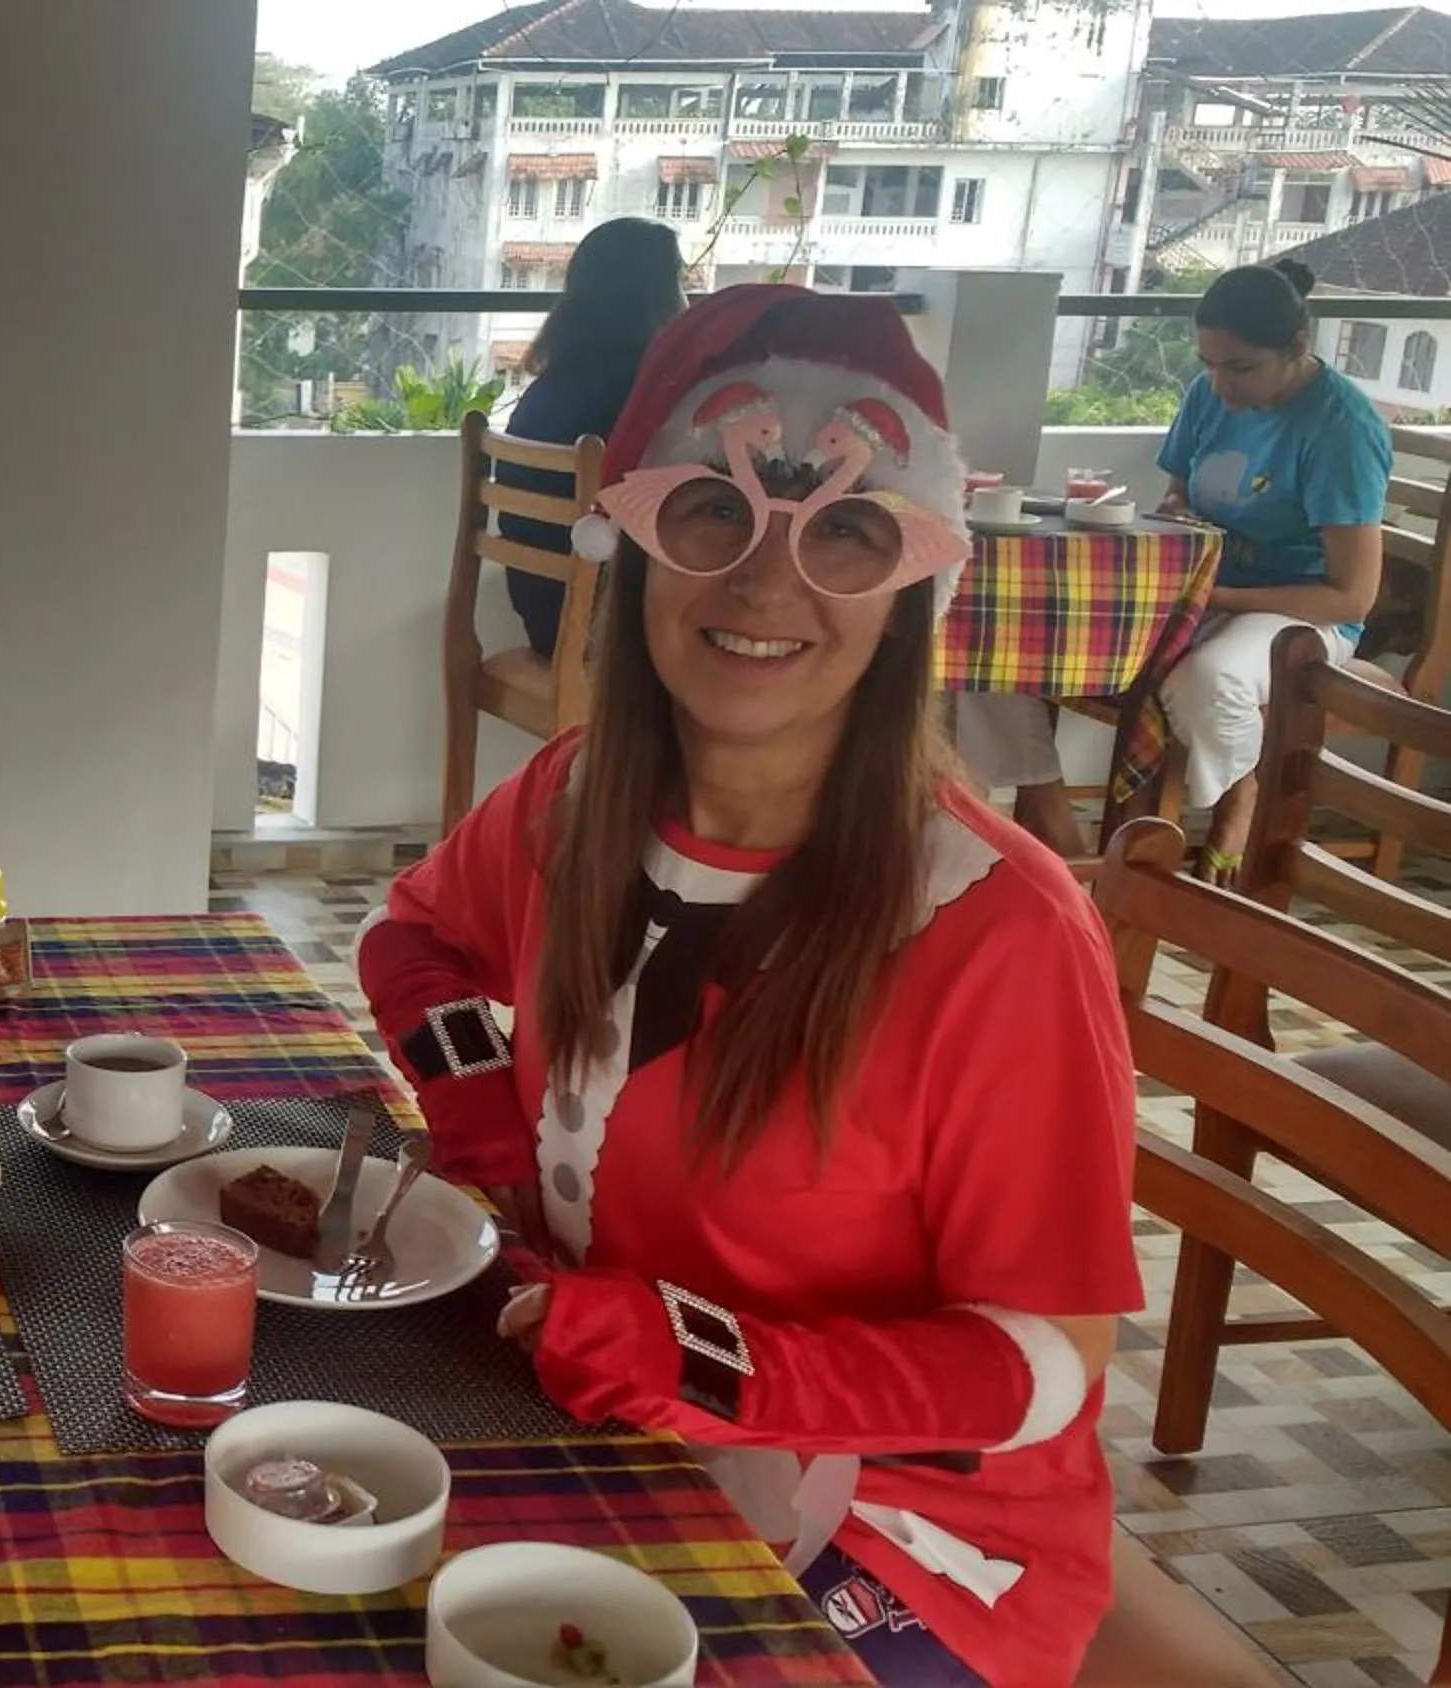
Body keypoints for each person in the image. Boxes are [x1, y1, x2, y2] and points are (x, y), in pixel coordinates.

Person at [360, 288, 1165, 1686]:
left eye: (845, 529)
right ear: (638, 546)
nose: (763, 582)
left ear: (915, 581)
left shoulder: (1003, 932)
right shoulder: (567, 800)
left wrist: (709, 1362)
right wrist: (481, 1104)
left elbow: (1042, 1367)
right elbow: (413, 941)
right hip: (613, 1441)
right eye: (712, 514)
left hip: (919, 1539)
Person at [952, 259, 1390, 875]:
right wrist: (1179, 517)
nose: (1221, 387)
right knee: (990, 638)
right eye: (1208, 365)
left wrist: (1222, 598)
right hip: (1197, 592)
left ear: (1296, 347)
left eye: (1240, 368)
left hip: (1295, 612)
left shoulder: (1340, 428)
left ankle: (1243, 793)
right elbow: (1178, 498)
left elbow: (1351, 597)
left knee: (1209, 682)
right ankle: (1050, 816)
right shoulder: (1207, 397)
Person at [494, 217, 685, 657]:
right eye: (678, 277)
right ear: (655, 292)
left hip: (543, 617)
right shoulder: (639, 393)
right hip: (596, 633)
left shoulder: (554, 382)